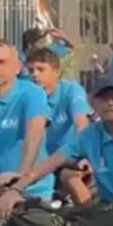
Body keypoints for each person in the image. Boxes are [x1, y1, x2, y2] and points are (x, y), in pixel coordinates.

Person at [8, 74, 113, 226]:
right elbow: (51, 163)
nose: (110, 103)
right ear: (92, 103)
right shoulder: (88, 135)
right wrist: (16, 188)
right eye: (103, 98)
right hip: (112, 206)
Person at [0, 40, 59, 226]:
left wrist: (20, 181)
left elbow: (34, 136)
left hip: (30, 193)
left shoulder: (30, 94)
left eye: (1, 62)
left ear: (17, 66)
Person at [23, 48, 92, 203]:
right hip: (35, 161)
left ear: (56, 71)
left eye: (41, 69)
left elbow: (82, 123)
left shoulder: (71, 90)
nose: (34, 74)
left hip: (65, 158)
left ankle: (89, 219)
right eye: (31, 70)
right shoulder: (26, 94)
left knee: (71, 178)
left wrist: (85, 155)